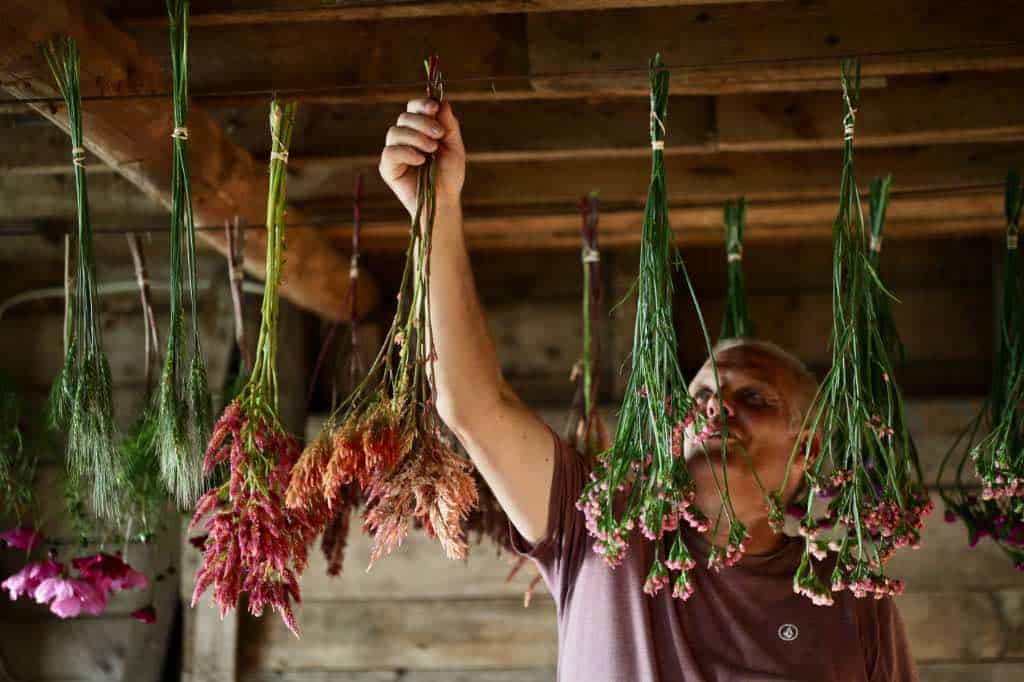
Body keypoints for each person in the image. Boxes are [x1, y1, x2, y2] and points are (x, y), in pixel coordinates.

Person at [378, 98, 918, 682]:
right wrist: (433, 210)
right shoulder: (601, 526)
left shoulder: (852, 600)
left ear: (809, 451)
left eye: (755, 398)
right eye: (703, 394)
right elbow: (473, 405)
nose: (717, 407)